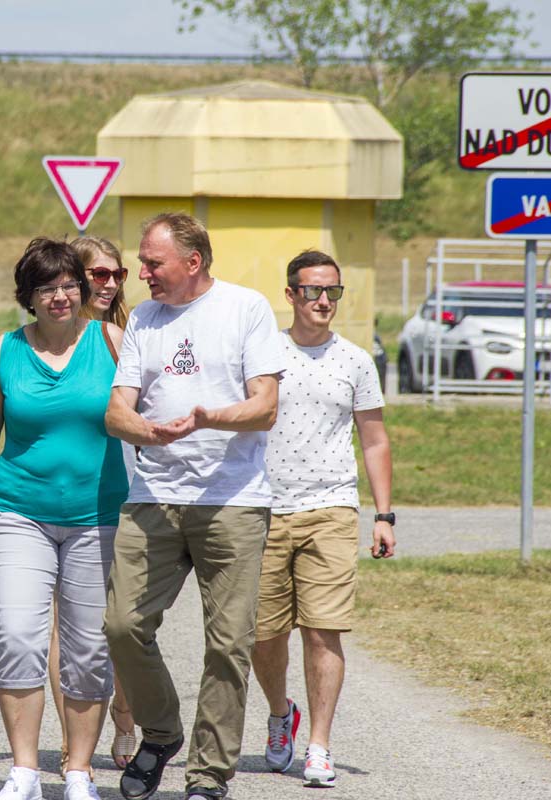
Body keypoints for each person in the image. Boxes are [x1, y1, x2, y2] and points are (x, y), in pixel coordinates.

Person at [102, 212, 285, 800]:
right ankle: (161, 733)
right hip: (153, 496)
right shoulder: (144, 319)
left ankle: (208, 775)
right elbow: (117, 412)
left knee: (228, 643)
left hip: (233, 502)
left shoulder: (245, 308)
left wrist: (210, 417)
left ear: (193, 261)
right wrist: (148, 431)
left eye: (152, 263)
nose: (142, 274)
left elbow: (265, 407)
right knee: (122, 625)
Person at [0, 237, 127, 800]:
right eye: (47, 288)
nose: (61, 296)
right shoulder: (6, 350)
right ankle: (24, 771)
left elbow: (148, 420)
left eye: (69, 285)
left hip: (99, 518)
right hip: (20, 514)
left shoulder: (112, 342)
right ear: (28, 296)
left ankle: (79, 772)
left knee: (88, 647)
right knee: (19, 635)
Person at [251, 249, 395, 788]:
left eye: (332, 291)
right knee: (263, 635)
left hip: (331, 508)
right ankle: (279, 713)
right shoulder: (263, 355)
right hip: (263, 509)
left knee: (323, 631)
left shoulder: (356, 361)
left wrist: (384, 515)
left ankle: (319, 744)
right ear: (291, 294)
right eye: (312, 290)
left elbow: (374, 440)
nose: (323, 301)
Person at [42, 236, 136, 776]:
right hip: (77, 499)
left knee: (122, 621)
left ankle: (124, 712)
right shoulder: (53, 342)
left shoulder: (127, 335)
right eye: (99, 274)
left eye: (117, 274)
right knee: (70, 625)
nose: (111, 284)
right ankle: (71, 740)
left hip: (131, 492)